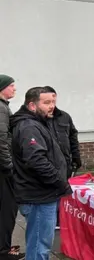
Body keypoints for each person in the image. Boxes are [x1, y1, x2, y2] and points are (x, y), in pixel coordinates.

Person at [10, 87, 72, 260]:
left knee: (39, 243)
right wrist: (60, 182)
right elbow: (37, 161)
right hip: (38, 196)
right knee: (39, 245)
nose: (52, 106)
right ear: (31, 105)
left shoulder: (36, 122)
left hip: (41, 194)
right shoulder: (29, 126)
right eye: (46, 103)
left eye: (53, 102)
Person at [0, 75, 24, 260]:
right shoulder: (1, 108)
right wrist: (9, 166)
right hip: (3, 169)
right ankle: (3, 250)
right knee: (7, 208)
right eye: (11, 86)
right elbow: (1, 140)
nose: (14, 89)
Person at [43, 86, 81, 178]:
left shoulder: (64, 116)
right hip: (48, 165)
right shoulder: (38, 119)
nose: (51, 104)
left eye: (53, 100)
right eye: (48, 101)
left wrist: (76, 156)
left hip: (66, 163)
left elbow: (73, 137)